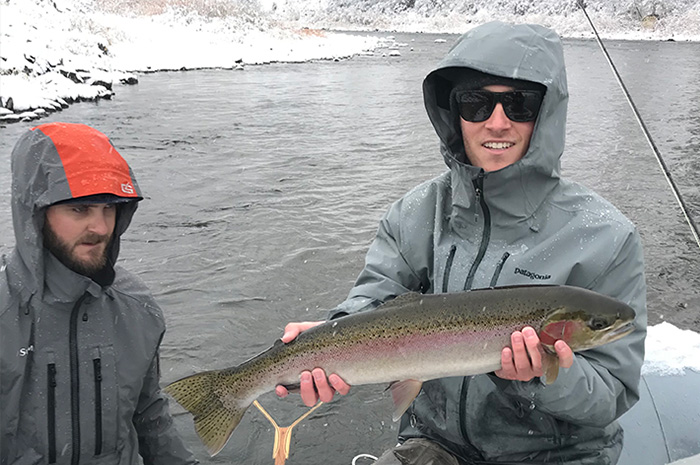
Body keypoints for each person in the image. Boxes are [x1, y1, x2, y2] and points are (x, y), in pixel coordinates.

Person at [276, 21, 647, 464]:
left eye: (519, 103)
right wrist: (332, 333)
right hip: (433, 442)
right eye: (476, 103)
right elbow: (374, 302)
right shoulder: (415, 214)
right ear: (453, 113)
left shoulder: (607, 237)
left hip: (557, 455)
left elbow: (610, 396)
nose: (497, 122)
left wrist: (544, 376)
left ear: (546, 114)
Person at [0, 122, 198, 465]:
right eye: (80, 209)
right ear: (35, 211)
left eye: (109, 208)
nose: (101, 227)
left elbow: (149, 417)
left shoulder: (138, 309)